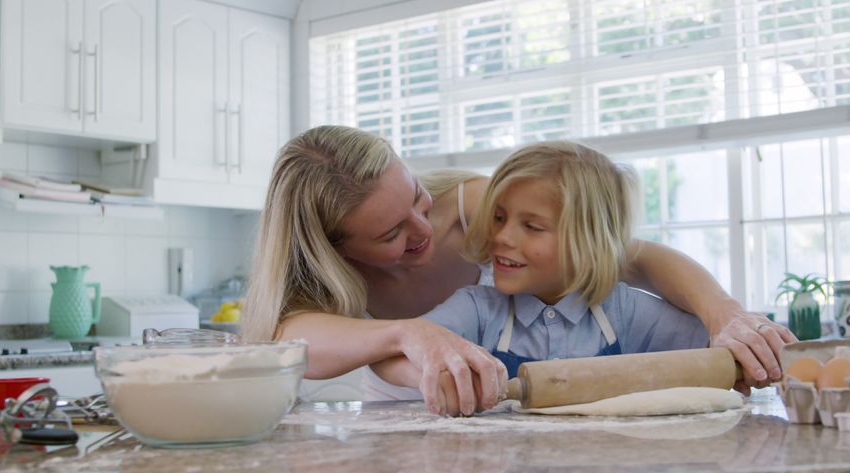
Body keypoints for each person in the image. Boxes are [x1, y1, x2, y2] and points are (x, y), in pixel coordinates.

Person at [242, 125, 795, 416]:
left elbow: (628, 255)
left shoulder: (483, 207)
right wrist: (411, 335)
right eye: (391, 234)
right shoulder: (323, 291)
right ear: (334, 249)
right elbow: (293, 343)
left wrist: (727, 318)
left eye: (416, 196)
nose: (424, 228)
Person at [370, 142, 714, 414]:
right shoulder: (478, 310)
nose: (502, 237)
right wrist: (432, 375)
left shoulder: (625, 311)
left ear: (587, 242)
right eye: (499, 218)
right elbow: (391, 354)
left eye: (532, 227)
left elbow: (715, 352)